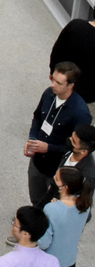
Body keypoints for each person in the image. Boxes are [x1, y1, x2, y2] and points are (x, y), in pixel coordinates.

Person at [25, 61, 90, 207]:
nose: (53, 84)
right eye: (52, 79)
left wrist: (48, 148)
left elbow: (77, 148)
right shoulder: (49, 94)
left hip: (56, 170)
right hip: (37, 161)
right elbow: (37, 117)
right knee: (36, 199)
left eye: (59, 83)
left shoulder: (80, 113)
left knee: (51, 206)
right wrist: (32, 139)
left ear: (70, 85)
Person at [49, 14, 95, 102]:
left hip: (62, 85)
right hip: (86, 97)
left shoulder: (75, 25)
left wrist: (54, 73)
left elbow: (57, 51)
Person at [46, 122, 95, 197]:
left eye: (74, 142)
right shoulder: (71, 152)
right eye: (71, 137)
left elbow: (82, 202)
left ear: (83, 151)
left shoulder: (86, 176)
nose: (69, 140)